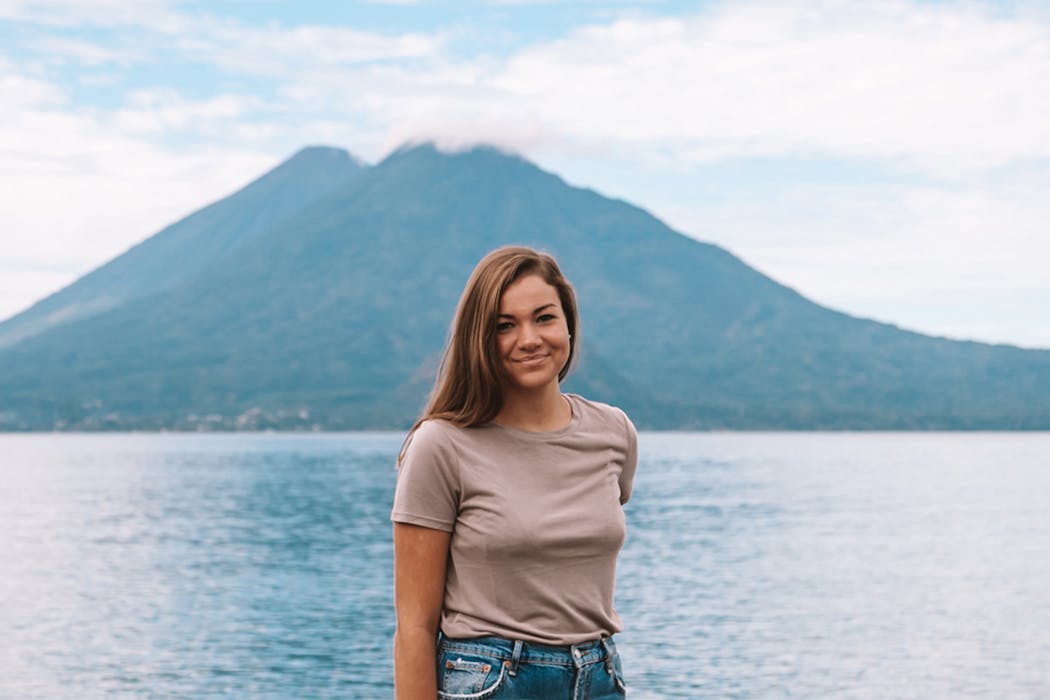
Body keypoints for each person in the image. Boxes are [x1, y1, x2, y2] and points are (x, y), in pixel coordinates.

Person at [391, 246, 638, 699]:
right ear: (479, 338)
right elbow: (414, 628)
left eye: (544, 318)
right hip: (493, 682)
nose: (529, 339)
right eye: (505, 325)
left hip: (599, 677)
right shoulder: (441, 444)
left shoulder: (614, 432)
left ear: (568, 324)